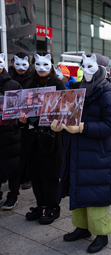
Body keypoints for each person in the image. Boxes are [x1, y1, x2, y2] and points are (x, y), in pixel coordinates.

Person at [52, 53, 111, 254]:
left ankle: (101, 234)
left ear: (101, 68)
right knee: (77, 188)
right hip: (76, 149)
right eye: (83, 65)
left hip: (96, 153)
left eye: (90, 66)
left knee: (95, 193)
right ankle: (82, 227)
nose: (85, 69)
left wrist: (83, 128)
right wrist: (58, 124)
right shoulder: (77, 89)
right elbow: (65, 113)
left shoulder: (107, 92)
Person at [19, 52, 66, 224]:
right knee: (36, 173)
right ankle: (41, 205)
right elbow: (22, 110)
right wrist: (21, 119)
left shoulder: (59, 85)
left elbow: (65, 111)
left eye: (45, 65)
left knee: (50, 173)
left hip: (52, 136)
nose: (41, 69)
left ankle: (53, 207)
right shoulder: (30, 85)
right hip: (32, 136)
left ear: (52, 66)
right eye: (37, 65)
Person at [0, 53, 23, 210]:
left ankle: (13, 195)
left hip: (11, 133)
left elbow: (24, 108)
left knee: (13, 166)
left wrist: (21, 118)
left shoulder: (13, 85)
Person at [8, 52, 32, 190]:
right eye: (18, 64)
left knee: (27, 147)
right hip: (13, 119)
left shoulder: (32, 78)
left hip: (29, 119)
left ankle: (27, 177)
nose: (21, 68)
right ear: (12, 63)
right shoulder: (9, 77)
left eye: (24, 64)